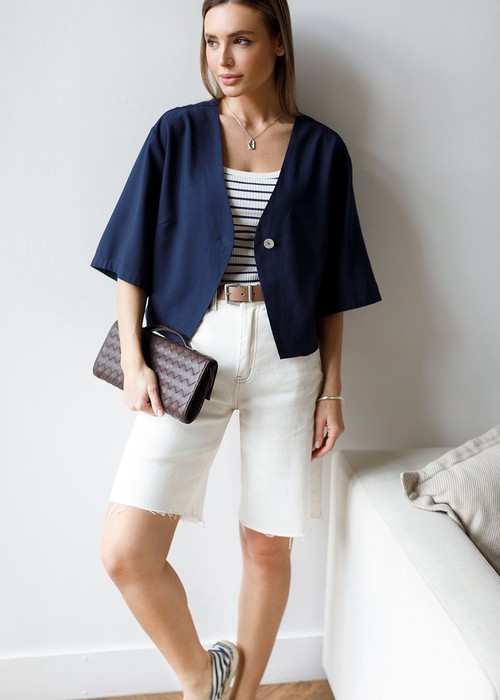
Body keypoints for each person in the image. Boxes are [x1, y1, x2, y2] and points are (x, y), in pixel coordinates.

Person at [91, 1, 381, 698]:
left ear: (278, 44)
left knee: (266, 544)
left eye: (241, 40)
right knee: (126, 552)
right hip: (188, 352)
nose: (222, 58)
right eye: (212, 41)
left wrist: (332, 389)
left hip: (289, 359)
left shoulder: (322, 150)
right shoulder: (176, 133)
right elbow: (131, 257)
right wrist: (133, 361)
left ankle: (242, 695)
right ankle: (204, 679)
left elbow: (334, 286)